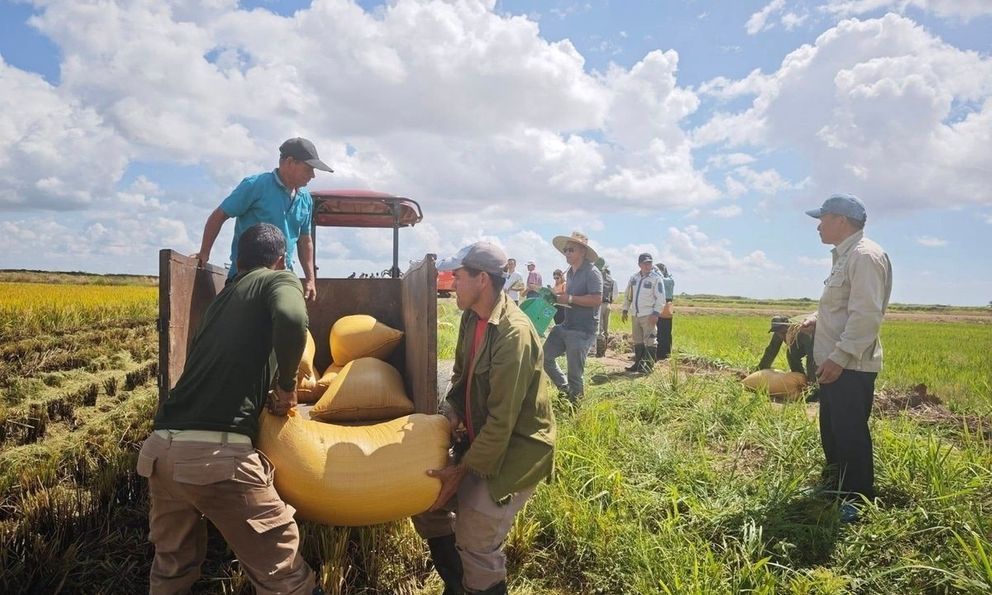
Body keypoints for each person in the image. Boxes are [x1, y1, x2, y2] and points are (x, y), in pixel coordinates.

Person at [137, 223, 321, 594]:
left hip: (161, 451)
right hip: (215, 457)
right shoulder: (277, 280)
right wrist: (287, 387)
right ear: (281, 259)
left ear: (238, 259)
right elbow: (292, 318)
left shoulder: (224, 298)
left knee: (173, 570)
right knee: (282, 570)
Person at [413, 241, 556, 595]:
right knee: (425, 502)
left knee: (476, 535)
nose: (451, 281)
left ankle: (479, 584)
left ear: (481, 280)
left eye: (458, 276)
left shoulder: (514, 334)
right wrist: (448, 417)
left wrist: (459, 471)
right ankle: (457, 587)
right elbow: (461, 380)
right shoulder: (471, 317)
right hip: (482, 440)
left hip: (514, 450)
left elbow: (502, 423)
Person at [804, 193, 892, 521]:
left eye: (822, 219)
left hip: (850, 365)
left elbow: (865, 315)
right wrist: (816, 318)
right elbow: (841, 306)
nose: (818, 226)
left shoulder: (865, 256)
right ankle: (835, 485)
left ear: (841, 220)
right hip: (835, 362)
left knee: (850, 431)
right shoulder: (844, 256)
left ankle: (857, 499)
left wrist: (839, 357)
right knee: (832, 428)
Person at [192, 137, 334, 301]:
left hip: (281, 281)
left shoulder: (305, 199)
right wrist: (204, 252)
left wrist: (310, 279)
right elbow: (219, 215)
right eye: (309, 169)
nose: (313, 175)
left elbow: (305, 240)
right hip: (246, 278)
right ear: (290, 162)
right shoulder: (256, 185)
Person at [543, 231, 603, 402]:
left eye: (571, 250)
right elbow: (570, 296)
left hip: (583, 329)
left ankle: (575, 406)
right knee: (544, 357)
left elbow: (597, 299)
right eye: (566, 250)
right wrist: (556, 297)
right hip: (567, 325)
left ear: (583, 251)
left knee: (575, 374)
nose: (567, 253)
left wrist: (569, 298)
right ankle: (565, 390)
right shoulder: (569, 272)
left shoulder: (592, 272)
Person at [621, 253, 666, 374]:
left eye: (649, 263)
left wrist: (656, 313)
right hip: (635, 314)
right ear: (639, 264)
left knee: (650, 340)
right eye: (645, 263)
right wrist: (625, 309)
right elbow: (628, 295)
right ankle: (638, 364)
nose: (647, 266)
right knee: (638, 340)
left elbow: (661, 298)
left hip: (648, 315)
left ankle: (649, 366)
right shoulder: (634, 278)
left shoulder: (656, 279)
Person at [758, 315, 817, 389]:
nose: (782, 335)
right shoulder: (778, 333)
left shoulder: (802, 331)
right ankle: (800, 379)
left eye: (783, 332)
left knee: (812, 363)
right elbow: (771, 350)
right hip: (800, 345)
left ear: (789, 326)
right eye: (779, 332)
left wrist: (812, 380)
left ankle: (813, 384)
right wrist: (760, 369)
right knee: (791, 354)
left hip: (817, 344)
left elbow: (812, 356)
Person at [595, 260, 618, 357]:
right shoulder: (611, 280)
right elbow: (615, 295)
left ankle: (599, 353)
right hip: (607, 304)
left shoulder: (596, 278)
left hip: (598, 304)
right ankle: (603, 351)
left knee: (599, 329)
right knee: (606, 328)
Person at [654, 263, 675, 360]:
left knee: (661, 329)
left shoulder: (666, 280)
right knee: (666, 330)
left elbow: (662, 282)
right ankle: (665, 353)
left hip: (663, 304)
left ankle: (661, 353)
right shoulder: (670, 279)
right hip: (668, 305)